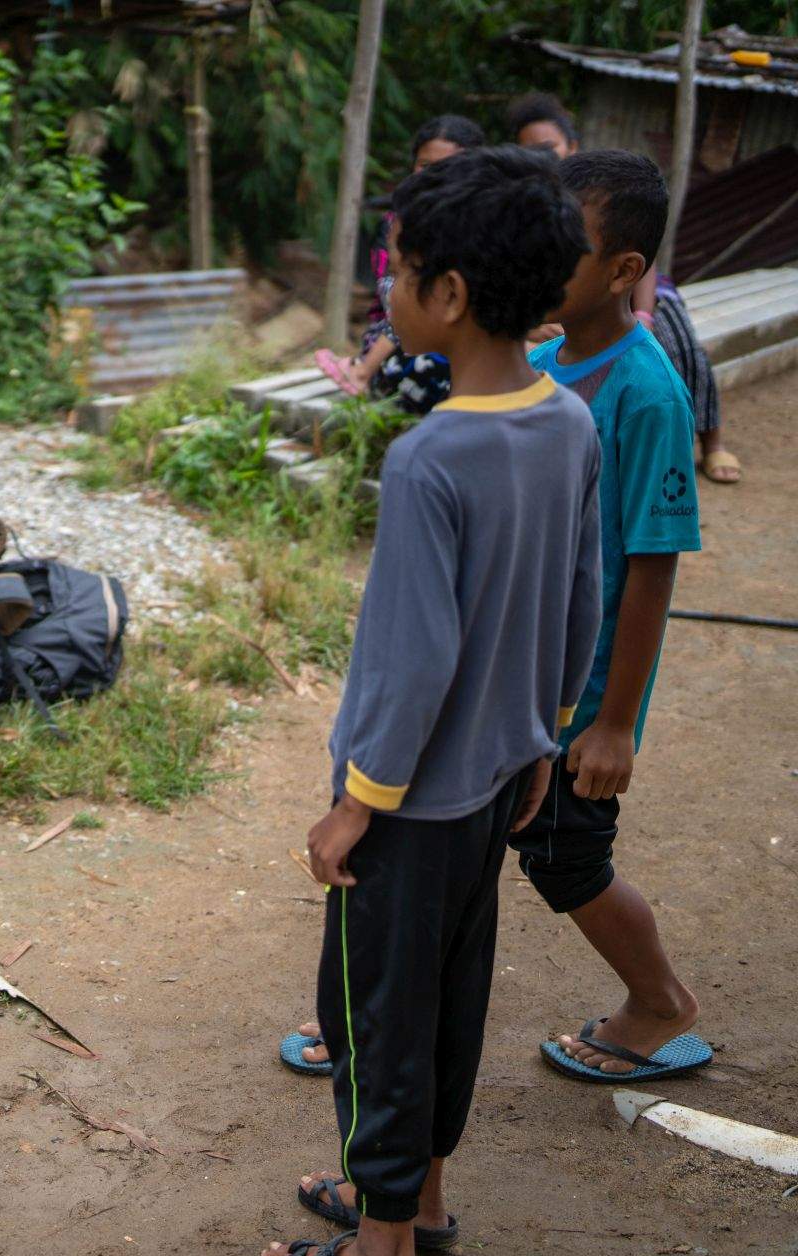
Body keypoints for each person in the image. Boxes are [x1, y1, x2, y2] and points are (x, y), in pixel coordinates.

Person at [262, 146, 600, 1256]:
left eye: (399, 269)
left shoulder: (428, 458)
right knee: (452, 996)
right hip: (501, 777)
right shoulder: (569, 422)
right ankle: (421, 1197)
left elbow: (412, 665)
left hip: (406, 808)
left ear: (449, 295)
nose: (388, 290)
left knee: (373, 1020)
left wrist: (355, 805)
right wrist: (545, 729)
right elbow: (581, 597)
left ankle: (380, 1250)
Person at [513, 150, 714, 1082]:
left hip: (576, 694)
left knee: (566, 859)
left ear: (627, 270)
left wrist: (615, 721)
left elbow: (651, 572)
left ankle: (659, 1002)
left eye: (570, 244)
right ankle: (369, 1012)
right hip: (513, 674)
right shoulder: (546, 360)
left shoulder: (648, 394)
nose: (545, 256)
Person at [509, 93, 739, 483]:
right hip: (596, 295)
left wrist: (644, 315)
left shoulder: (609, 196)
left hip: (643, 291)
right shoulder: (532, 201)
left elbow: (643, 267)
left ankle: (712, 439)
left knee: (680, 340)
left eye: (548, 148)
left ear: (572, 146)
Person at [313, 115, 484, 407]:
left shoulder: (485, 226)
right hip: (405, 338)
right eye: (425, 166)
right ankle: (365, 372)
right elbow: (396, 300)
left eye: (448, 167)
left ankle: (362, 372)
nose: (434, 177)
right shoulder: (395, 225)